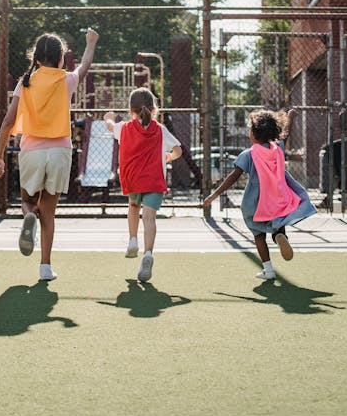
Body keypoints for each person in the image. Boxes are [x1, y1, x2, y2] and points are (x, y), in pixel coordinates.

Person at [0, 28, 99, 281]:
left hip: (32, 151)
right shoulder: (66, 79)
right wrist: (91, 42)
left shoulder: (25, 82)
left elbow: (8, 121)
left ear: (36, 59)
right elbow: (85, 65)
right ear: (61, 58)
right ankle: (45, 268)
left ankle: (28, 215)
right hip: (60, 151)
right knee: (49, 213)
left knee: (28, 200)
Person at [203, 108, 316, 280]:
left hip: (254, 203)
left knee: (258, 235)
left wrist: (214, 194)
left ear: (255, 134)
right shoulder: (277, 149)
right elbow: (285, 135)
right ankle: (279, 235)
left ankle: (268, 270)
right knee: (277, 219)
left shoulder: (249, 154)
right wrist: (290, 118)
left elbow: (232, 177)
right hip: (276, 199)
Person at [104, 88, 182, 282]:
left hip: (133, 179)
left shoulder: (124, 128)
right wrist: (169, 157)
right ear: (154, 110)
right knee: (149, 218)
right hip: (154, 180)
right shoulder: (160, 130)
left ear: (132, 112)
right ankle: (148, 254)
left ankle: (132, 240)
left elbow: (110, 126)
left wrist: (109, 117)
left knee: (133, 208)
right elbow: (178, 150)